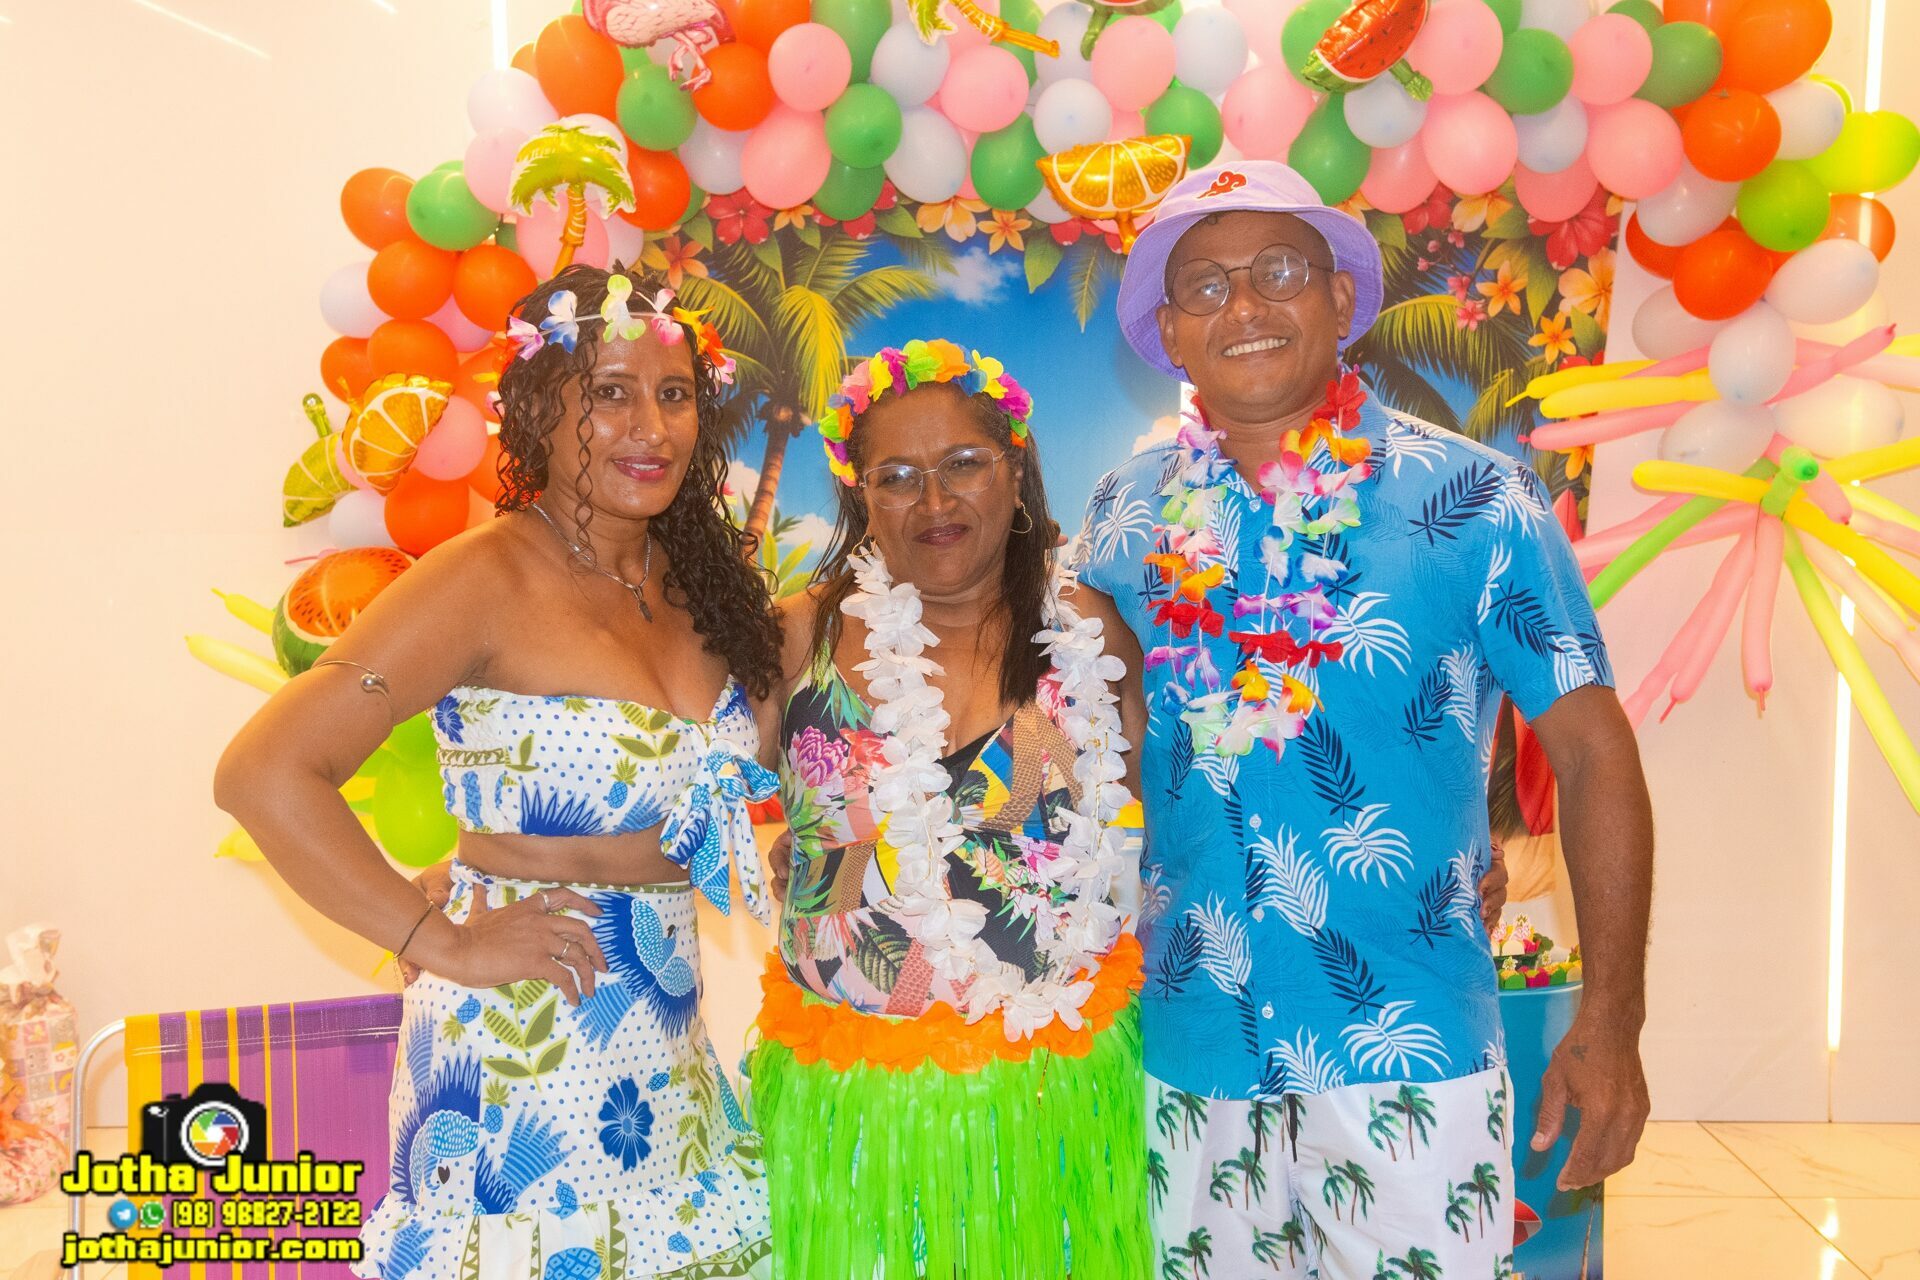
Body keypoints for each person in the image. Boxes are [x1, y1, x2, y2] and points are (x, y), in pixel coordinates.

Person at [1072, 162, 1655, 1277]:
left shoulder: (1477, 498)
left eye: (1279, 271)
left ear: (1342, 297)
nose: (1244, 305)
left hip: (1409, 1048)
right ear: (1171, 334)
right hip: (1191, 1054)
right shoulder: (1120, 514)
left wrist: (1612, 1020)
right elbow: (1077, 730)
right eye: (1205, 286)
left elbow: (1590, 750)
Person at [215, 264, 783, 1280]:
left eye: (673, 393)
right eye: (609, 392)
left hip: (668, 1054)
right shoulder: (482, 577)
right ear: (538, 407)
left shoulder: (704, 587)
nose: (650, 425)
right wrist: (437, 938)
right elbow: (265, 770)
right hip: (521, 1058)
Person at [750, 339, 1152, 1278]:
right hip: (856, 1122)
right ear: (861, 496)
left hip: (1057, 1106)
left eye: (964, 463)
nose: (934, 501)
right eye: (896, 477)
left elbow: (1161, 816)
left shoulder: (1087, 628)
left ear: (1016, 470)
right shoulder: (802, 632)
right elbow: (684, 787)